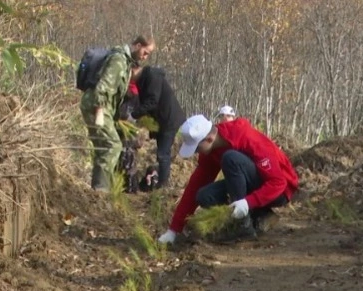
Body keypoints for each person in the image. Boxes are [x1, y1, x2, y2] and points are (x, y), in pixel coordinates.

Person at [157, 114, 299, 245]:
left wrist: (248, 202)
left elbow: (278, 182)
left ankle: (243, 226)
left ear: (209, 139)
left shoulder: (248, 139)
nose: (196, 152)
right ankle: (261, 215)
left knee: (231, 159)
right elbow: (194, 188)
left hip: (281, 190)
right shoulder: (210, 151)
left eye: (196, 148)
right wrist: (174, 230)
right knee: (204, 196)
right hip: (254, 187)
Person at [80, 35, 155, 192]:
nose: (145, 57)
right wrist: (99, 109)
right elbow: (104, 85)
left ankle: (98, 190)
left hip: (101, 107)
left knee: (103, 147)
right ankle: (101, 190)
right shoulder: (118, 60)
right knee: (112, 145)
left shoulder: (125, 63)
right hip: (98, 106)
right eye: (145, 52)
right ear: (137, 45)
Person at [128, 65, 186, 188]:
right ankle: (159, 180)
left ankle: (163, 185)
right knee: (161, 152)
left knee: (163, 153)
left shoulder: (152, 77)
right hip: (161, 120)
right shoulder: (143, 80)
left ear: (133, 69)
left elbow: (152, 101)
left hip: (169, 119)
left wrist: (133, 115)